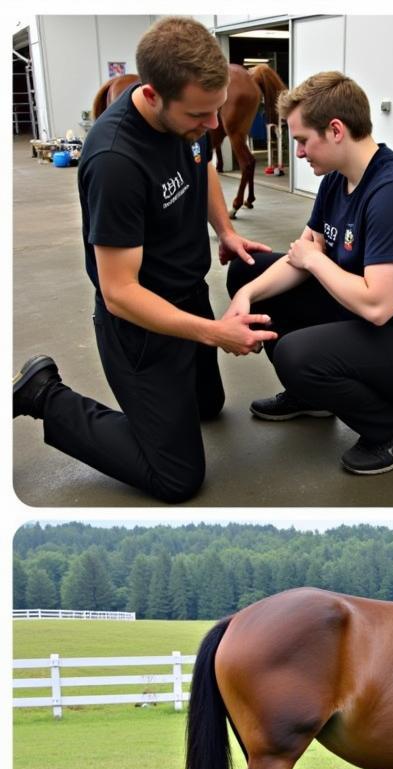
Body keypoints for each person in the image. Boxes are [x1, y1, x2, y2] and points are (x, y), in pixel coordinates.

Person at [13, 16, 275, 503]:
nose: (212, 125)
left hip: (189, 295)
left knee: (209, 406)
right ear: (152, 95)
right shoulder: (116, 162)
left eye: (216, 111)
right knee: (177, 478)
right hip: (140, 324)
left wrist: (227, 230)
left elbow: (206, 166)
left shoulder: (191, 119)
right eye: (200, 115)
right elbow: (119, 294)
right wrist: (215, 333)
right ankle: (43, 394)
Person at [224, 71, 393, 475]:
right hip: (367, 317)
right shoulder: (338, 180)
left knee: (296, 356)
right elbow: (299, 255)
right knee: (249, 273)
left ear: (336, 130)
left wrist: (316, 260)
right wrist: (245, 296)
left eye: (302, 140)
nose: (298, 153)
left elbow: (377, 305)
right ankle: (313, 396)